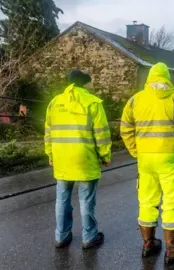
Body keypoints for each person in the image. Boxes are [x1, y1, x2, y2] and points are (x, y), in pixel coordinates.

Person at [120, 62, 174, 265]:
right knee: (171, 202)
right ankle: (173, 250)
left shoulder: (136, 100)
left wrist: (136, 151)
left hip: (145, 160)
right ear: (167, 78)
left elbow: (125, 128)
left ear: (149, 79)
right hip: (171, 158)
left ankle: (149, 244)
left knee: (147, 201)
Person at [44, 69, 112, 249]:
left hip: (61, 159)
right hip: (85, 158)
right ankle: (89, 237)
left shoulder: (55, 103)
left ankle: (61, 236)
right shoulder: (93, 102)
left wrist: (50, 154)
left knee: (62, 199)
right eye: (91, 82)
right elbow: (102, 134)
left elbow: (48, 133)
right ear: (85, 83)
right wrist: (105, 155)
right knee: (86, 200)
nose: (93, 85)